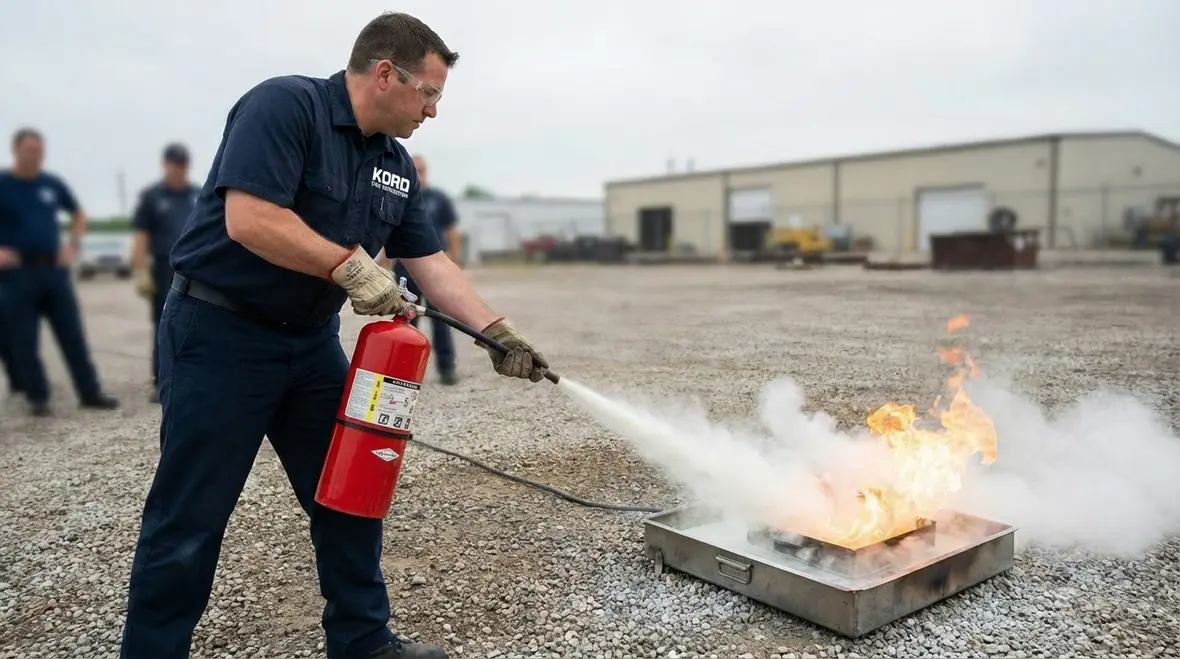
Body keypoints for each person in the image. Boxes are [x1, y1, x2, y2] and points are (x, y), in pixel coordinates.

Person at [118, 12, 548, 659]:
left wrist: (494, 329)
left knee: (350, 494)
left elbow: (429, 260)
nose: (432, 111)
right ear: (384, 74)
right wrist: (350, 265)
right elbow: (251, 218)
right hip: (220, 335)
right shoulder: (284, 108)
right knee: (191, 516)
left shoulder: (394, 164)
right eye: (428, 93)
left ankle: (362, 637)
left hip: (312, 345)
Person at [0, 128, 120, 417]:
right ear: (16, 150)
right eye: (30, 150)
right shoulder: (3, 184)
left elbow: (78, 214)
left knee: (72, 334)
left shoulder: (51, 183)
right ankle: (37, 396)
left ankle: (89, 392)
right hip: (17, 274)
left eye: (39, 151)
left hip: (53, 270)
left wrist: (73, 244)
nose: (36, 156)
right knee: (23, 338)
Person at [129, 142, 200, 402]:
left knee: (196, 323)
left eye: (182, 165)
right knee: (163, 324)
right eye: (174, 164)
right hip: (163, 268)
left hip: (194, 267)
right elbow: (141, 235)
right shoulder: (152, 197)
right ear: (166, 164)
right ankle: (161, 380)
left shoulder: (197, 194)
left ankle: (193, 376)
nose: (178, 170)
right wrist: (140, 271)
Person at [388, 154, 461, 385]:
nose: (418, 174)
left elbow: (451, 230)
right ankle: (402, 372)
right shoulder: (398, 196)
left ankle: (447, 369)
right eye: (414, 170)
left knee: (441, 320)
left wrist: (454, 262)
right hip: (405, 269)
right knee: (406, 320)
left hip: (435, 269)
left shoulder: (438, 199)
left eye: (421, 170)